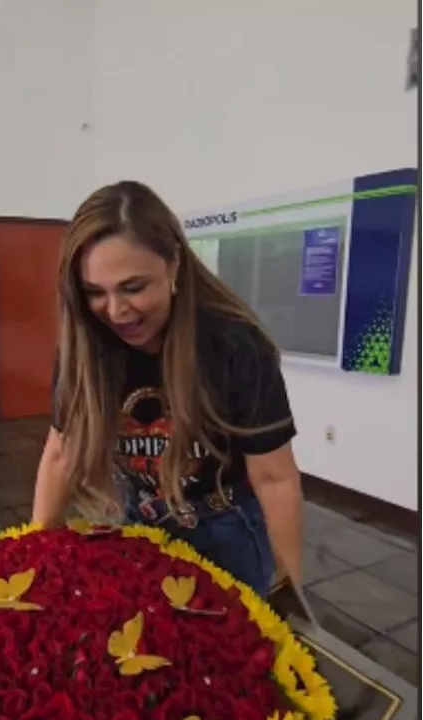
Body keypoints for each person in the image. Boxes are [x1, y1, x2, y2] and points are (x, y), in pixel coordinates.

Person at [31, 182, 304, 595]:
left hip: (226, 529)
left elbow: (274, 478)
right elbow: (60, 451)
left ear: (173, 265)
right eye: (94, 293)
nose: (117, 311)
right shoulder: (84, 346)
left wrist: (292, 590)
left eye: (133, 287)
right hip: (138, 519)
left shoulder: (235, 346)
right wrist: (33, 554)